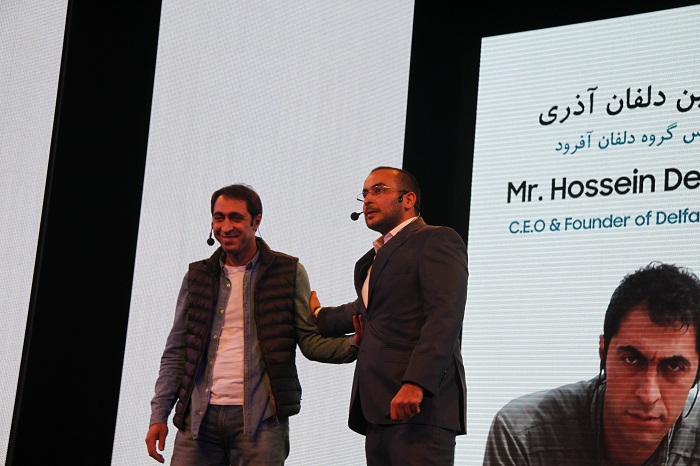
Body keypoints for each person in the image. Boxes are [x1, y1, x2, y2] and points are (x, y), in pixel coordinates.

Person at [145, 184, 358, 465]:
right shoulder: (198, 275)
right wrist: (159, 415)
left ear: (256, 221)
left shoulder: (288, 271)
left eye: (236, 218)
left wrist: (356, 342)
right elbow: (177, 352)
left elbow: (310, 342)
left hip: (261, 421)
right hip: (198, 420)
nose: (226, 227)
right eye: (219, 218)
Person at [310, 166, 469, 465]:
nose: (368, 200)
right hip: (378, 409)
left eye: (379, 190)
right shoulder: (374, 257)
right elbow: (364, 311)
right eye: (365, 194)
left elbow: (444, 317)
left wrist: (416, 384)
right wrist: (316, 314)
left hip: (419, 407)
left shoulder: (436, 239)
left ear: (408, 199)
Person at [483, 263, 700, 466]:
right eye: (631, 360)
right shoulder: (523, 433)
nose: (648, 395)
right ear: (603, 353)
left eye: (673, 367)